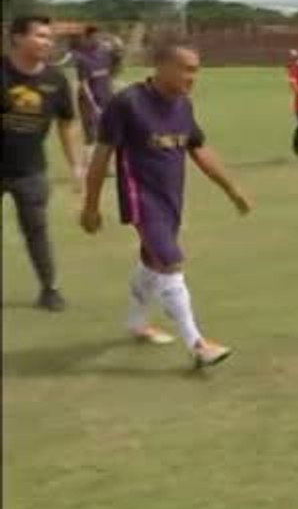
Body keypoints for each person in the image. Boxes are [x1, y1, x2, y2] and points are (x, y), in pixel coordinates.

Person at [80, 40, 252, 368]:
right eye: (186, 69)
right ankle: (197, 344)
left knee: (152, 262)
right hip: (140, 198)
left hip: (171, 198)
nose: (193, 77)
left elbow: (198, 149)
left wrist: (232, 189)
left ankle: (135, 320)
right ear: (161, 66)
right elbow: (101, 157)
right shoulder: (127, 103)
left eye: (196, 70)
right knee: (170, 262)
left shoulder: (183, 105)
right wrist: (91, 205)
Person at [1, 15, 83, 311]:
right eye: (40, 36)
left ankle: (49, 290)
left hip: (30, 172)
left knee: (37, 232)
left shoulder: (55, 80)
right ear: (18, 37)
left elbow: (67, 124)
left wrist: (76, 165)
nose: (47, 42)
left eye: (49, 37)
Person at [67, 26, 116, 178]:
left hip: (106, 99)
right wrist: (93, 104)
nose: (98, 39)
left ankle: (107, 168)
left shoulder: (105, 55)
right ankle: (88, 167)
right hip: (88, 102)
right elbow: (84, 84)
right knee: (91, 135)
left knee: (107, 134)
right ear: (87, 38)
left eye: (99, 36)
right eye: (94, 37)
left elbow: (108, 77)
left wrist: (111, 96)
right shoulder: (82, 59)